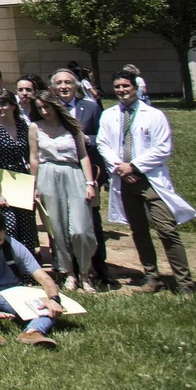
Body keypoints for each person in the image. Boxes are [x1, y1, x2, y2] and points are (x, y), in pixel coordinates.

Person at [97, 71, 196, 297]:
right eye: (118, 87)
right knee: (138, 231)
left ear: (136, 87)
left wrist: (135, 167)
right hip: (124, 180)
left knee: (167, 230)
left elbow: (162, 148)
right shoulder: (109, 115)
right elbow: (103, 144)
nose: (122, 90)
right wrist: (120, 168)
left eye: (126, 86)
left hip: (150, 180)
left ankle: (184, 282)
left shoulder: (154, 115)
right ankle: (151, 276)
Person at [0, 207, 63, 347]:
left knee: (53, 306)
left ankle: (33, 332)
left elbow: (44, 278)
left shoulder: (15, 247)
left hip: (13, 295)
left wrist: (54, 300)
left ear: (5, 232)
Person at [28, 92, 98, 293]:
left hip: (73, 173)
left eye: (47, 107)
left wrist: (89, 182)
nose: (44, 111)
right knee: (57, 228)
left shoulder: (71, 126)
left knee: (80, 229)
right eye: (40, 108)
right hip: (47, 174)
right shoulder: (35, 127)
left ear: (55, 106)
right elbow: (34, 157)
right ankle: (69, 273)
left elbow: (83, 155)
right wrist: (34, 186)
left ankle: (85, 272)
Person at [53, 67, 115, 286]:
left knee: (91, 222)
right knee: (62, 221)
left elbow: (104, 137)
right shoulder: (49, 110)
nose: (63, 87)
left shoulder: (90, 108)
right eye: (59, 83)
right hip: (59, 174)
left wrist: (87, 138)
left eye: (68, 82)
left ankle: (99, 268)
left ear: (76, 85)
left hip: (87, 173)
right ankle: (70, 269)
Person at [0, 89, 37, 253]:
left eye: (3, 104)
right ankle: (8, 265)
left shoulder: (22, 125)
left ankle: (27, 271)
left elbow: (31, 155)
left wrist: (33, 184)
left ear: (13, 106)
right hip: (1, 181)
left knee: (26, 227)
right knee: (9, 226)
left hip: (21, 180)